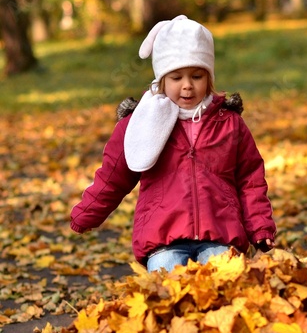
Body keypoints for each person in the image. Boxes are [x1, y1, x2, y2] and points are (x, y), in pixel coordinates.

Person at [70, 15, 276, 272]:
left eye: (197, 76)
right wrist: (87, 213)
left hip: (220, 236)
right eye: (177, 77)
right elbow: (113, 176)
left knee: (225, 283)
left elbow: (250, 179)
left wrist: (260, 227)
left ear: (209, 78)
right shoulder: (141, 125)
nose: (187, 86)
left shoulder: (230, 124)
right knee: (165, 289)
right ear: (162, 80)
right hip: (163, 240)